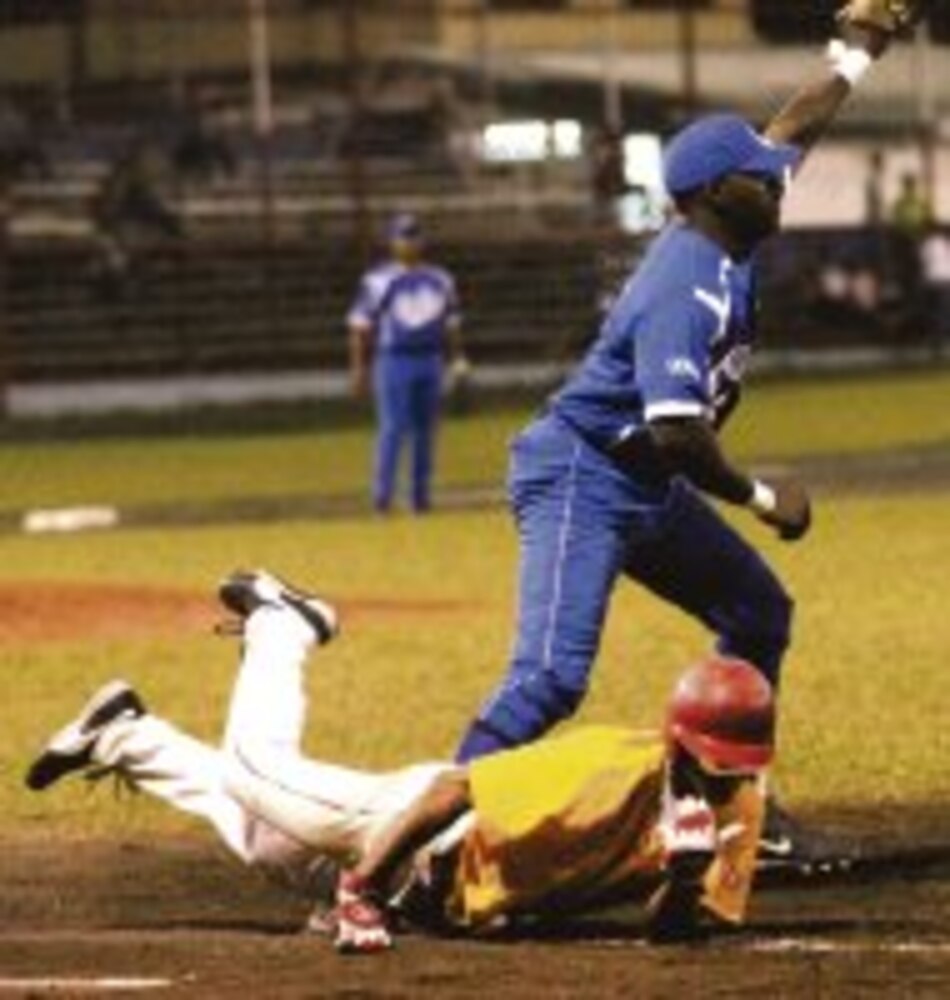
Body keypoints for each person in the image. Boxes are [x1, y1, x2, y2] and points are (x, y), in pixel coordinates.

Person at [452, 5, 916, 861]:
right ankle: (433, 836)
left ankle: (731, 811)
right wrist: (764, 497)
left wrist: (861, 50)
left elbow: (795, 129)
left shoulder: (731, 216)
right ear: (709, 195)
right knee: (550, 678)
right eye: (758, 180)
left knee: (757, 611)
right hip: (583, 472)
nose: (776, 184)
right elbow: (677, 435)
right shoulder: (685, 284)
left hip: (641, 480)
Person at [25, 569, 774, 953]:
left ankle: (126, 735)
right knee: (253, 766)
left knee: (262, 839)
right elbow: (454, 791)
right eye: (706, 760)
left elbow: (674, 931)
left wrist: (683, 879)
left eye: (732, 767)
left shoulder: (738, 812)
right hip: (410, 829)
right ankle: (285, 624)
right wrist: (359, 890)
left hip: (438, 896)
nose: (719, 776)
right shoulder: (607, 764)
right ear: (675, 738)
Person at [347, 213, 466, 514]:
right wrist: (360, 367)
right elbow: (360, 326)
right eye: (403, 238)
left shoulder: (440, 279)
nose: (409, 244)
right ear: (392, 242)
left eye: (414, 237)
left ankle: (420, 497)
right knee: (393, 428)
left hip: (430, 357)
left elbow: (451, 324)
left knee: (426, 430)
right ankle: (383, 497)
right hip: (394, 359)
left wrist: (456, 358)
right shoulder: (379, 280)